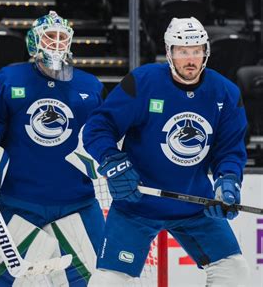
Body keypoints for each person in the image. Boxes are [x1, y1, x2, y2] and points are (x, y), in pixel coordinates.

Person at [83, 17, 250, 286]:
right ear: (169, 51)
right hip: (137, 204)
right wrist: (112, 161)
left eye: (197, 50)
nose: (191, 59)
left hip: (195, 205)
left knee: (234, 270)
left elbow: (230, 149)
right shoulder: (143, 82)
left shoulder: (225, 92)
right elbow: (98, 127)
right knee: (109, 280)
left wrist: (228, 181)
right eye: (183, 51)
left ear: (205, 51)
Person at [0, 11, 108, 286]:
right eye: (50, 37)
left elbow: (101, 136)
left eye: (62, 38)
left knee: (97, 279)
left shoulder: (90, 86)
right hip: (18, 202)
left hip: (77, 202)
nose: (56, 44)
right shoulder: (8, 79)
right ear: (34, 43)